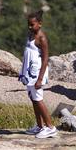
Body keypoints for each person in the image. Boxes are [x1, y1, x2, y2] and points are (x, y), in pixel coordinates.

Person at [18, 10, 58, 138]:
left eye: (32, 25)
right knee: (33, 98)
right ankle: (40, 126)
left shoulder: (42, 38)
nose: (30, 27)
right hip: (29, 72)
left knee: (38, 98)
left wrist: (40, 79)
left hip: (37, 73)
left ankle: (50, 127)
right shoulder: (30, 35)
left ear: (39, 24)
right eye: (28, 24)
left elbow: (45, 59)